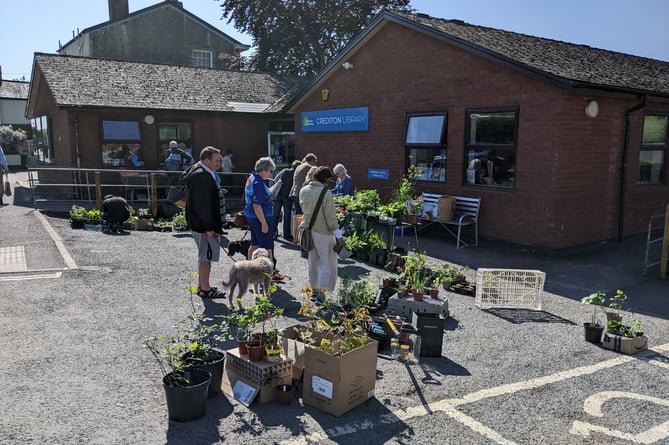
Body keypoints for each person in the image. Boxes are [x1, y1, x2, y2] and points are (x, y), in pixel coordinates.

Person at [181, 146, 227, 299]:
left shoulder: (198, 171)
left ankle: (203, 285)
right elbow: (204, 205)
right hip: (203, 225)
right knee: (206, 257)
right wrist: (209, 227)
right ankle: (205, 289)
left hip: (197, 222)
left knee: (204, 255)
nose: (218, 163)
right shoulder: (203, 177)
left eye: (219, 159)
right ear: (206, 160)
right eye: (216, 160)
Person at [299, 166, 339, 301]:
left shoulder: (303, 190)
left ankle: (314, 291)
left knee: (312, 263)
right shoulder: (326, 193)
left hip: (307, 231)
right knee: (325, 265)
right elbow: (331, 219)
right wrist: (339, 235)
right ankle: (321, 295)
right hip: (323, 233)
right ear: (325, 179)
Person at [244, 157, 276, 269]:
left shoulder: (251, 178)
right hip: (260, 217)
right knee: (267, 246)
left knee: (255, 243)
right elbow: (257, 205)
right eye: (271, 171)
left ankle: (249, 268)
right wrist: (264, 223)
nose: (271, 174)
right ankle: (268, 273)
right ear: (265, 169)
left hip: (252, 215)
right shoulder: (258, 183)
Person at [272, 160, 300, 241]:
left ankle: (273, 232)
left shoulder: (285, 171)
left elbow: (276, 179)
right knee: (287, 216)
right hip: (288, 197)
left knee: (275, 214)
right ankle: (286, 235)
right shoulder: (297, 174)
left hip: (279, 195)